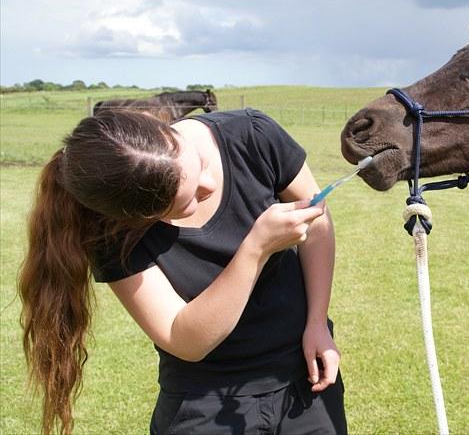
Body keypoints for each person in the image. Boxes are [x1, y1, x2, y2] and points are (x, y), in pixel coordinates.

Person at [19, 107, 347, 435]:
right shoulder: (112, 233)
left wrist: (317, 322)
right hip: (204, 400)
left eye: (200, 163)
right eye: (186, 201)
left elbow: (317, 221)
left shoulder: (251, 134)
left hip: (306, 375)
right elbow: (185, 340)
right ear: (141, 217)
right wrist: (254, 250)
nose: (209, 183)